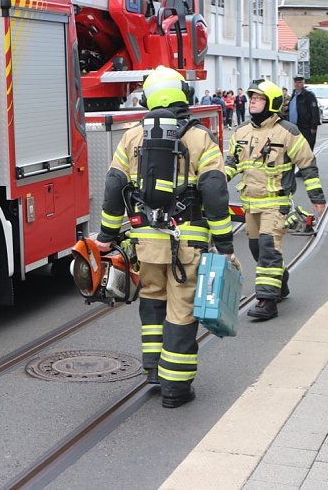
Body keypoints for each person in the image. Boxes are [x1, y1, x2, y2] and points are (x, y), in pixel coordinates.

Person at [96, 66, 234, 408]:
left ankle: (153, 370)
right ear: (183, 95)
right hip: (186, 243)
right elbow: (215, 190)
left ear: (147, 98)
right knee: (182, 309)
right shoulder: (200, 138)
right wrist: (226, 243)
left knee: (153, 300)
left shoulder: (132, 137)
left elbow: (114, 185)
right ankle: (175, 388)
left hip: (145, 241)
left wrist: (106, 235)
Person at [225, 79, 326, 321]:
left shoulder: (288, 131)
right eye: (252, 98)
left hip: (275, 203)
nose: (253, 102)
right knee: (256, 249)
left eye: (259, 98)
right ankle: (279, 282)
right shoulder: (241, 132)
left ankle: (266, 301)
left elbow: (307, 164)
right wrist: (214, 183)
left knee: (269, 249)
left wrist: (317, 197)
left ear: (271, 102)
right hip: (250, 203)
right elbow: (231, 163)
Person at [287, 76, 321, 150]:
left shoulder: (309, 95)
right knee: (296, 148)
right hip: (294, 126)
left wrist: (313, 126)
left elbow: (314, 111)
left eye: (299, 82)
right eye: (296, 82)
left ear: (303, 83)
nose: (297, 84)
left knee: (307, 147)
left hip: (306, 126)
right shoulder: (293, 94)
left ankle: (309, 161)